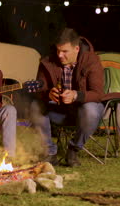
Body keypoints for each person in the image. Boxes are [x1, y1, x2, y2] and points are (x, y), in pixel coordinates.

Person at [31, 28, 105, 167]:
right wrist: (48, 94)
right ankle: (49, 152)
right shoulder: (48, 61)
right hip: (60, 111)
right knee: (35, 106)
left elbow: (98, 93)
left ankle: (73, 149)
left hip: (82, 112)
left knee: (91, 110)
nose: (60, 55)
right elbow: (40, 88)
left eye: (65, 51)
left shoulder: (91, 60)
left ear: (76, 48)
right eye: (58, 50)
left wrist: (76, 95)